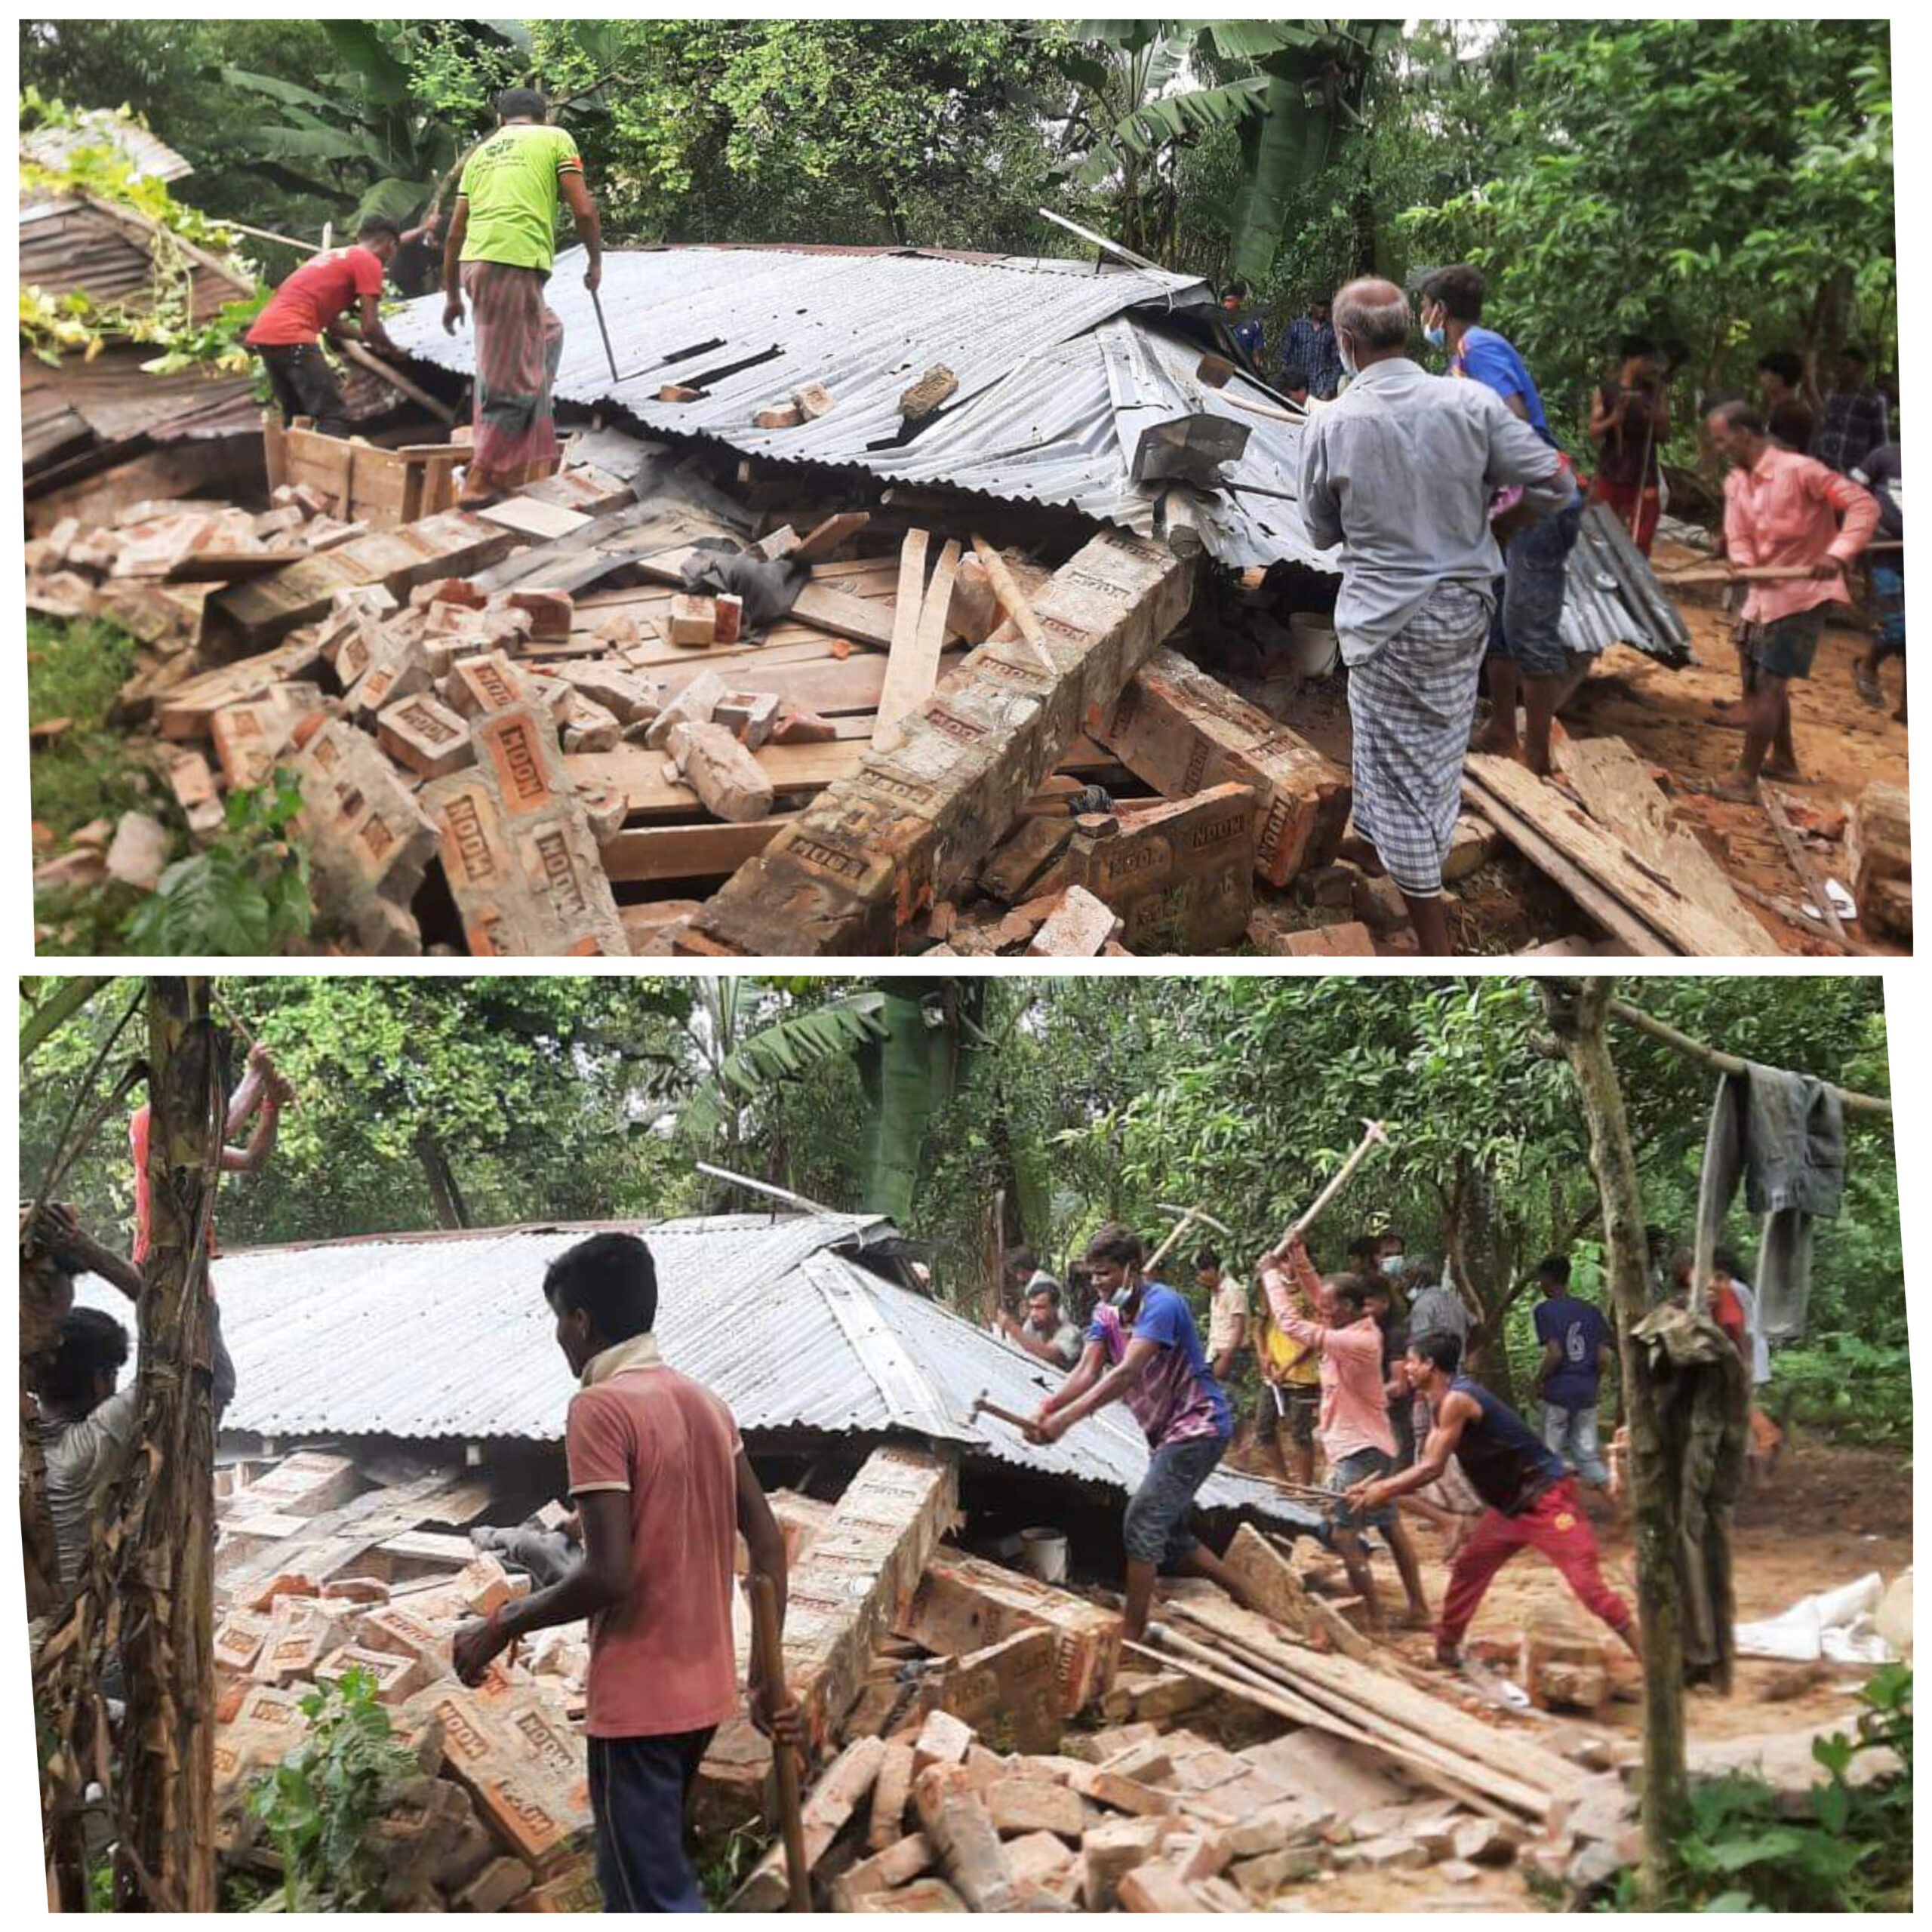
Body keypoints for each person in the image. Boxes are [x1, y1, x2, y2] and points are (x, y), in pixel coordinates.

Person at [451, 1232, 801, 1912]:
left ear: (581, 1322)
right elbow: (767, 1541)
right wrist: (763, 1676)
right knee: (636, 1883)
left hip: (641, 1701)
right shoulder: (705, 1403)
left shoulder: (598, 1408)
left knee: (652, 1899)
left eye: (559, 1320)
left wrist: (500, 1624)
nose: (558, 1337)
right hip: (704, 1693)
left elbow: (611, 1575)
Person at [1297, 276, 1572, 954]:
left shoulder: (1331, 421)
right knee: (1429, 753)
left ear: (1345, 341)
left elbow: (1321, 534)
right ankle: (1373, 842)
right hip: (1462, 615)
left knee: (1403, 768)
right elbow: (1556, 481)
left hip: (1383, 622)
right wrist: (1500, 527)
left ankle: (1432, 939)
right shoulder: (1470, 401)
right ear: (1403, 331)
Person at [1351, 1334, 1638, 1669]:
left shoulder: (1458, 1400)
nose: (1408, 1369)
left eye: (1413, 1361)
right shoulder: (1439, 1401)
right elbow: (1425, 1465)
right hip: (1509, 1508)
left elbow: (1431, 1468)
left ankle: (1652, 1660)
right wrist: (1381, 1487)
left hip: (1549, 1501)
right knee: (1469, 1569)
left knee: (1587, 1585)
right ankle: (1446, 1651)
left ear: (1430, 1364)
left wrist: (1384, 1490)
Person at [1026, 1225, 1257, 1641]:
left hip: (1198, 1425)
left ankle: (1132, 1633)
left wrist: (1065, 1421)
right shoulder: (1107, 1314)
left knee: (1142, 1520)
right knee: (1170, 1536)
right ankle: (1243, 1590)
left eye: (1105, 1273)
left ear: (1131, 1269)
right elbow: (1087, 1370)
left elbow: (1127, 1372)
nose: (1097, 1283)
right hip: (1167, 1435)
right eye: (1093, 1275)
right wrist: (1048, 1407)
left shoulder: (1163, 1305)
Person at [1420, 263, 1586, 777]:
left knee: (1528, 624)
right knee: (1498, 620)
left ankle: (1536, 755)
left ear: (1439, 312)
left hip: (1536, 502)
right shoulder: (1463, 360)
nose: (1422, 318)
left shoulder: (1479, 349)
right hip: (1506, 506)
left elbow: (1508, 421)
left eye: (1424, 309)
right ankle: (1500, 730)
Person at [1257, 1235, 1432, 1629]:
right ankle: (1418, 1608)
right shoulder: (1351, 1322)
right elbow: (1322, 1296)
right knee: (1389, 1527)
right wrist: (1299, 1256)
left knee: (1343, 1533)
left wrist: (1271, 1276)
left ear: (1351, 1309)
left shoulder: (1356, 1340)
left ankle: (1372, 1617)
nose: (1322, 1311)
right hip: (1370, 1446)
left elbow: (1289, 1324)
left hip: (1361, 1452)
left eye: (1329, 1309)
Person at [1706, 398, 1879, 795]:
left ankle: (1745, 779)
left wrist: (1836, 554)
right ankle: (1783, 760)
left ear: (1745, 435)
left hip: (1804, 592)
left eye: (1721, 441)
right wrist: (1742, 561)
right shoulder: (1736, 482)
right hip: (1763, 593)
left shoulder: (1801, 471)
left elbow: (1863, 505)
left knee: (1770, 682)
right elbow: (1741, 534)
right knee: (1755, 677)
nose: (1718, 450)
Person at [441, 88, 603, 506]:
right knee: (510, 380)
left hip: (481, 265)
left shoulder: (481, 155)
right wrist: (595, 261)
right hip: (509, 262)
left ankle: (512, 448)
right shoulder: (554, 139)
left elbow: (455, 232)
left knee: (548, 333)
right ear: (541, 116)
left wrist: (452, 295)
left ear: (501, 120)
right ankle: (482, 478)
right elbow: (584, 211)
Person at [129, 1040, 291, 1426]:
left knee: (208, 1382)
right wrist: (256, 1075)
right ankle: (187, 1472)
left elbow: (253, 1160)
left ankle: (192, 1468)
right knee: (207, 1382)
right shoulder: (149, 1122)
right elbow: (221, 1128)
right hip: (166, 1280)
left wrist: (271, 1105)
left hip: (197, 1283)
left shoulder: (195, 1141)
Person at [244, 217, 414, 436]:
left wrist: (368, 339)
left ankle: (293, 468)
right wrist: (391, 348)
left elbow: (332, 325)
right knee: (333, 414)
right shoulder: (368, 260)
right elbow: (371, 325)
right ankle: (328, 469)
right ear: (390, 246)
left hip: (266, 335)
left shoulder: (333, 256)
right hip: (293, 335)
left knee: (296, 415)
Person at [1530, 1256, 1613, 1491]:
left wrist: (1537, 1382)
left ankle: (1558, 1514)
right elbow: (1604, 1356)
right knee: (1588, 1455)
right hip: (1586, 1392)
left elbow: (1555, 1354)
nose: (1540, 1284)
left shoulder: (1545, 1311)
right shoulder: (1591, 1311)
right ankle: (1616, 1501)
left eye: (1541, 1279)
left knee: (1550, 1455)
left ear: (1548, 1278)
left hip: (1558, 1392)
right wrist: (1592, 1381)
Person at [1587, 335, 1669, 554]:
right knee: (1603, 533)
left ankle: (1636, 582)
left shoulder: (1655, 392)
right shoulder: (1606, 391)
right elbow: (1593, 432)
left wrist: (1657, 418)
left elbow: (1664, 435)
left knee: (1642, 537)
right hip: (1612, 471)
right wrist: (1613, 419)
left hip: (1644, 474)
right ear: (1635, 360)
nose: (1652, 367)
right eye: (1648, 360)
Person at [1850, 441, 1905, 721]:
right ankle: (1868, 666)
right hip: (1884, 553)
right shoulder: (1885, 455)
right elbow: (1851, 493)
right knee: (1900, 629)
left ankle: (1908, 707)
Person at [1253, 1296, 1321, 1487]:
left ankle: (1305, 1487)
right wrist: (1263, 1356)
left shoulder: (1308, 1295)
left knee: (1300, 1434)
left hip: (1302, 1377)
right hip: (1273, 1375)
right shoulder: (1269, 1293)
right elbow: (1258, 1327)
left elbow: (1313, 1339)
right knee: (1263, 1428)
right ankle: (1283, 1481)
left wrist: (1287, 1368)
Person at [1810, 346, 1890, 476]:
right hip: (1823, 473)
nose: (1840, 370)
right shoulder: (1831, 396)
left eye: (1846, 365)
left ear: (1861, 369)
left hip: (1853, 475)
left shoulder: (1874, 399)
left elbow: (1881, 444)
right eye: (1838, 366)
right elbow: (1820, 433)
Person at [995, 1254, 1083, 1371]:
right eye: (1031, 1308)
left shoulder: (1071, 1334)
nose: (1033, 1314)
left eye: (1040, 1308)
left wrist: (1012, 1328)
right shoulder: (1032, 1326)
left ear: (1056, 1307)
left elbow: (1050, 1355)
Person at [1281, 290, 1345, 401]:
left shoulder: (1332, 331)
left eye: (1326, 306)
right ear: (1312, 306)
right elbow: (1285, 357)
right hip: (1298, 388)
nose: (1323, 309)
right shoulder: (1297, 327)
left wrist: (1329, 389)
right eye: (1320, 305)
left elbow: (1337, 364)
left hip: (1321, 387)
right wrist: (1288, 386)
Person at [1197, 1248, 1248, 1384]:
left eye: (1202, 1274)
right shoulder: (1215, 1292)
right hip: (1215, 1353)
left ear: (1212, 1270)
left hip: (1231, 1356)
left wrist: (1226, 1358)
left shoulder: (1233, 1290)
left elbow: (1239, 1327)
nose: (1200, 1280)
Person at [1755, 352, 1817, 454]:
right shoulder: (1781, 409)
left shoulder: (1791, 413)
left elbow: (1790, 453)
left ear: (1779, 378)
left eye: (1765, 373)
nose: (1761, 379)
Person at [1221, 279, 1263, 366]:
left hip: (1245, 370)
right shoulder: (1219, 323)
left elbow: (1256, 355)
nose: (1226, 305)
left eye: (1230, 301)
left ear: (1239, 301)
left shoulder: (1253, 324)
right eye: (1224, 301)